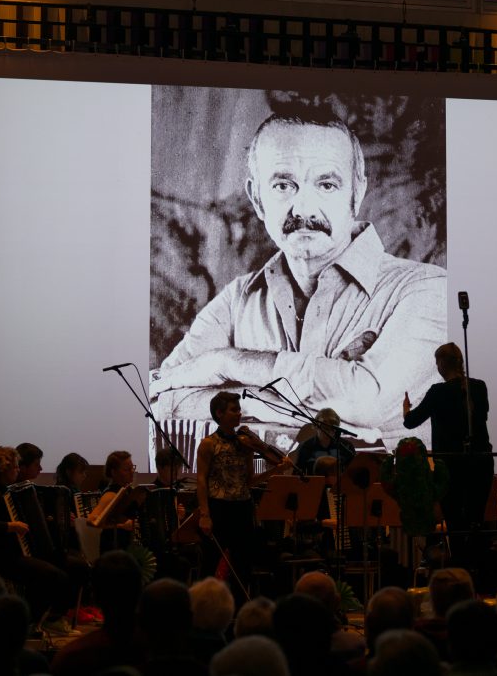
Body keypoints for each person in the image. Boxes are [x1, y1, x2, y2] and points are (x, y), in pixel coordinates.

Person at [151, 107, 446, 438]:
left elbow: (367, 402)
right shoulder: (237, 300)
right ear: (257, 198)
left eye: (326, 185)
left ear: (357, 192)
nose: (304, 209)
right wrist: (295, 407)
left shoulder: (428, 291)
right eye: (282, 185)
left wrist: (226, 364)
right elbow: (163, 397)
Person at [0, 446, 75, 635]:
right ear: (3, 469)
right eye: (14, 467)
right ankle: (32, 622)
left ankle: (38, 619)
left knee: (51, 568)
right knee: (50, 575)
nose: (17, 470)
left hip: (2, 554)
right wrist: (11, 526)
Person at [196, 391, 292, 599]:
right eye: (234, 410)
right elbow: (201, 480)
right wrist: (205, 514)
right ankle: (201, 609)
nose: (239, 414)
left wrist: (274, 471)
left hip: (242, 508)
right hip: (218, 507)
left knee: (242, 565)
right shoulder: (208, 444)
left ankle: (239, 610)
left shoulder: (246, 444)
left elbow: (249, 481)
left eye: (239, 409)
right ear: (219, 413)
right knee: (210, 563)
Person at [403, 342, 493, 538]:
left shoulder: (437, 392)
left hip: (451, 467)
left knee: (455, 523)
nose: (437, 367)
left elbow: (411, 422)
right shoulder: (479, 387)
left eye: (437, 362)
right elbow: (482, 416)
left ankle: (459, 563)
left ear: (442, 363)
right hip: (481, 464)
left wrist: (406, 409)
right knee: (475, 520)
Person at [88, 450, 140, 554]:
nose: (132, 472)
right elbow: (91, 520)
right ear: (114, 472)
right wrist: (121, 526)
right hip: (114, 551)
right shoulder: (110, 494)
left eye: (132, 468)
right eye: (126, 469)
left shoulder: (128, 490)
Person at [291, 408, 356, 475]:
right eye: (324, 426)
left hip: (340, 485)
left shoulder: (346, 446)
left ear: (336, 429)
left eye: (332, 427)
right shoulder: (306, 446)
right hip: (315, 484)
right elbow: (297, 475)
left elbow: (355, 473)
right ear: (316, 426)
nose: (328, 430)